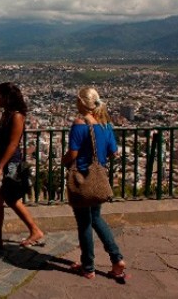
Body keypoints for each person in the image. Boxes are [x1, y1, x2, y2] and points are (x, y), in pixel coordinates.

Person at [61, 87, 127, 281]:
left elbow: (72, 153)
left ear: (82, 102)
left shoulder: (80, 124)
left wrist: (64, 161)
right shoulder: (105, 124)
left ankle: (88, 267)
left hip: (81, 178)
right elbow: (113, 151)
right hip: (97, 178)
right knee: (96, 218)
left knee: (84, 223)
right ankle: (116, 259)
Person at [0, 82, 44, 252]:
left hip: (11, 164)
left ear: (6, 97)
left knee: (10, 198)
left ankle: (33, 230)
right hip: (3, 162)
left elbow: (13, 144)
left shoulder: (16, 116)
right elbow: (2, 140)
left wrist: (0, 167)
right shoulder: (7, 114)